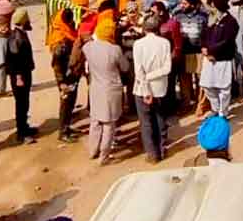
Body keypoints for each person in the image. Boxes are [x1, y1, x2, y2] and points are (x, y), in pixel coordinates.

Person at [82, 15, 130, 165]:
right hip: (111, 90)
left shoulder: (88, 48)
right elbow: (125, 67)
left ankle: (92, 151)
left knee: (95, 121)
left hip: (95, 89)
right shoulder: (115, 50)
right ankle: (104, 156)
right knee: (109, 125)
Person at [133, 14, 173, 163]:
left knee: (146, 122)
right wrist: (151, 77)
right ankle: (162, 149)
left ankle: (152, 154)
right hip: (160, 89)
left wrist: (146, 83)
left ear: (144, 29)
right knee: (160, 119)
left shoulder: (138, 44)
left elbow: (138, 71)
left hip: (141, 88)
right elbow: (167, 68)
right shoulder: (165, 43)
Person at [200, 0, 238, 118]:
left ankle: (223, 111)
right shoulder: (210, 19)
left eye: (213, 7)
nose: (211, 10)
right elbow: (203, 35)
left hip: (223, 59)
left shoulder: (230, 22)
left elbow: (227, 41)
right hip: (208, 58)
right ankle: (215, 108)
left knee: (224, 88)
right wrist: (204, 48)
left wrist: (212, 50)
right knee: (206, 85)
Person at [48, 9, 81, 144]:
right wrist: (61, 82)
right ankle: (62, 131)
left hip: (72, 75)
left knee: (71, 102)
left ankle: (67, 127)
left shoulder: (68, 31)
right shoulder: (60, 41)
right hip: (65, 78)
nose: (72, 22)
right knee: (66, 103)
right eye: (69, 20)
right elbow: (56, 65)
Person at [5, 9, 38, 144]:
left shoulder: (20, 34)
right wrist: (18, 77)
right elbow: (14, 58)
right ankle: (21, 133)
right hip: (20, 76)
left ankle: (24, 127)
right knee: (21, 104)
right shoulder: (16, 38)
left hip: (24, 73)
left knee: (24, 102)